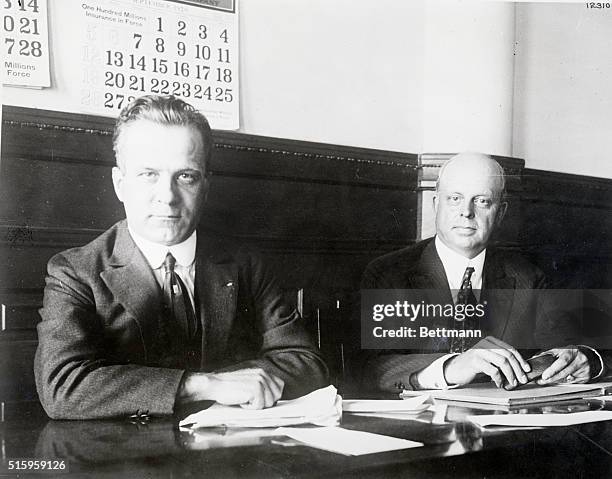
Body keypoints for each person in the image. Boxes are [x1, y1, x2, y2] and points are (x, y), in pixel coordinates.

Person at [34, 95, 328, 419]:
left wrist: (238, 384)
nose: (168, 197)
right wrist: (204, 385)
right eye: (148, 174)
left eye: (185, 176)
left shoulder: (246, 263)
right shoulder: (76, 272)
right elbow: (62, 386)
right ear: (120, 184)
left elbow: (305, 361)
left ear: (205, 186)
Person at [360, 152, 605, 392]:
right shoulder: (389, 273)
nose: (466, 212)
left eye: (482, 201)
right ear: (436, 205)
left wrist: (584, 360)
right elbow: (372, 367)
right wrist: (450, 368)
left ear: (501, 213)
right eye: (454, 198)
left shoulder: (528, 277)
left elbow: (563, 350)